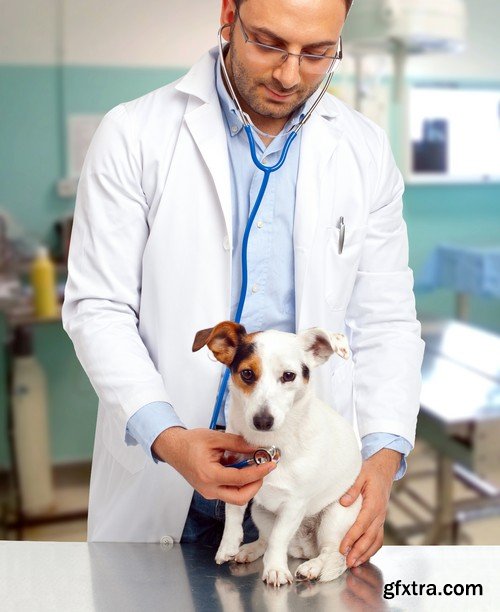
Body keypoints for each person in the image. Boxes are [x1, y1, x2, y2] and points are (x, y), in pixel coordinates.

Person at [62, 0, 424, 571]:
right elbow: (97, 308)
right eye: (270, 44)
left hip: (304, 477)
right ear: (228, 16)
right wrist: (171, 440)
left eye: (317, 54)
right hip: (172, 477)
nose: (289, 75)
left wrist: (382, 457)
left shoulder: (364, 150)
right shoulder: (135, 133)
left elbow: (386, 320)